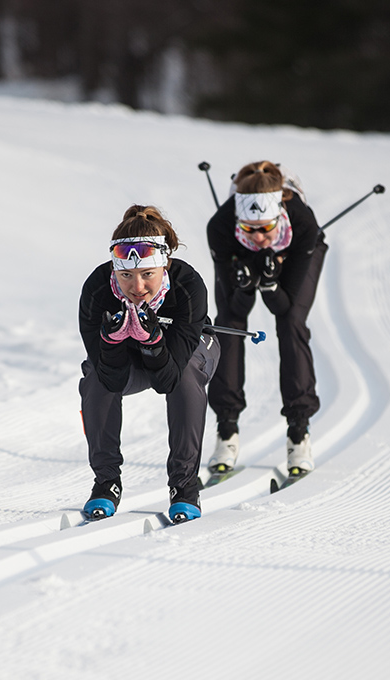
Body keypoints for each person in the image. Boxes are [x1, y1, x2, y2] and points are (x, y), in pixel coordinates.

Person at [78, 205, 219, 523]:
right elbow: (109, 377)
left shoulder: (187, 285)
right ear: (114, 269)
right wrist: (112, 342)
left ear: (164, 267)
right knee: (94, 379)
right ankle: (106, 483)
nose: (137, 287)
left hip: (185, 356)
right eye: (125, 275)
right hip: (128, 361)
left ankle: (184, 488)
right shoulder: (98, 289)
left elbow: (167, 381)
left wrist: (154, 342)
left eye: (147, 275)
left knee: (184, 377)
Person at [206, 161, 326, 479]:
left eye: (265, 228)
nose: (258, 236)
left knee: (292, 325)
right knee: (228, 324)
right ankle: (227, 430)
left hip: (298, 251)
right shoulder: (220, 228)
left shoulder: (302, 223)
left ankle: (298, 433)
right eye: (249, 228)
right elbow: (236, 308)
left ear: (279, 217)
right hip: (237, 256)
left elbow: (284, 308)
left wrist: (271, 284)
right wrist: (246, 284)